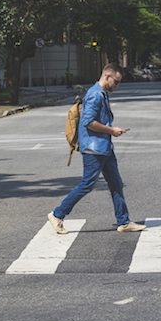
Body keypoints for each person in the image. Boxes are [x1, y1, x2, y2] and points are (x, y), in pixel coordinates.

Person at [48, 63, 146, 234]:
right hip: (94, 149)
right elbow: (88, 122)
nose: (117, 85)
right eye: (116, 82)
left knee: (116, 184)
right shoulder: (95, 95)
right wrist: (112, 130)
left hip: (104, 147)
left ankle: (123, 221)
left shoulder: (101, 93)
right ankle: (57, 214)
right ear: (107, 77)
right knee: (87, 184)